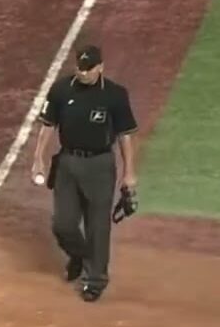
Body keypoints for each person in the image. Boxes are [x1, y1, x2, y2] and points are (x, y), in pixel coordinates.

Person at [30, 44, 139, 302]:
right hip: (68, 163)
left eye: (89, 68)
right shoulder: (61, 89)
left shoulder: (114, 95)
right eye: (80, 67)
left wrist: (129, 172)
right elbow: (48, 125)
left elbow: (125, 135)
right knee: (63, 224)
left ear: (100, 67)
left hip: (100, 165)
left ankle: (95, 280)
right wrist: (38, 158)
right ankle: (79, 255)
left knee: (98, 226)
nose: (83, 72)